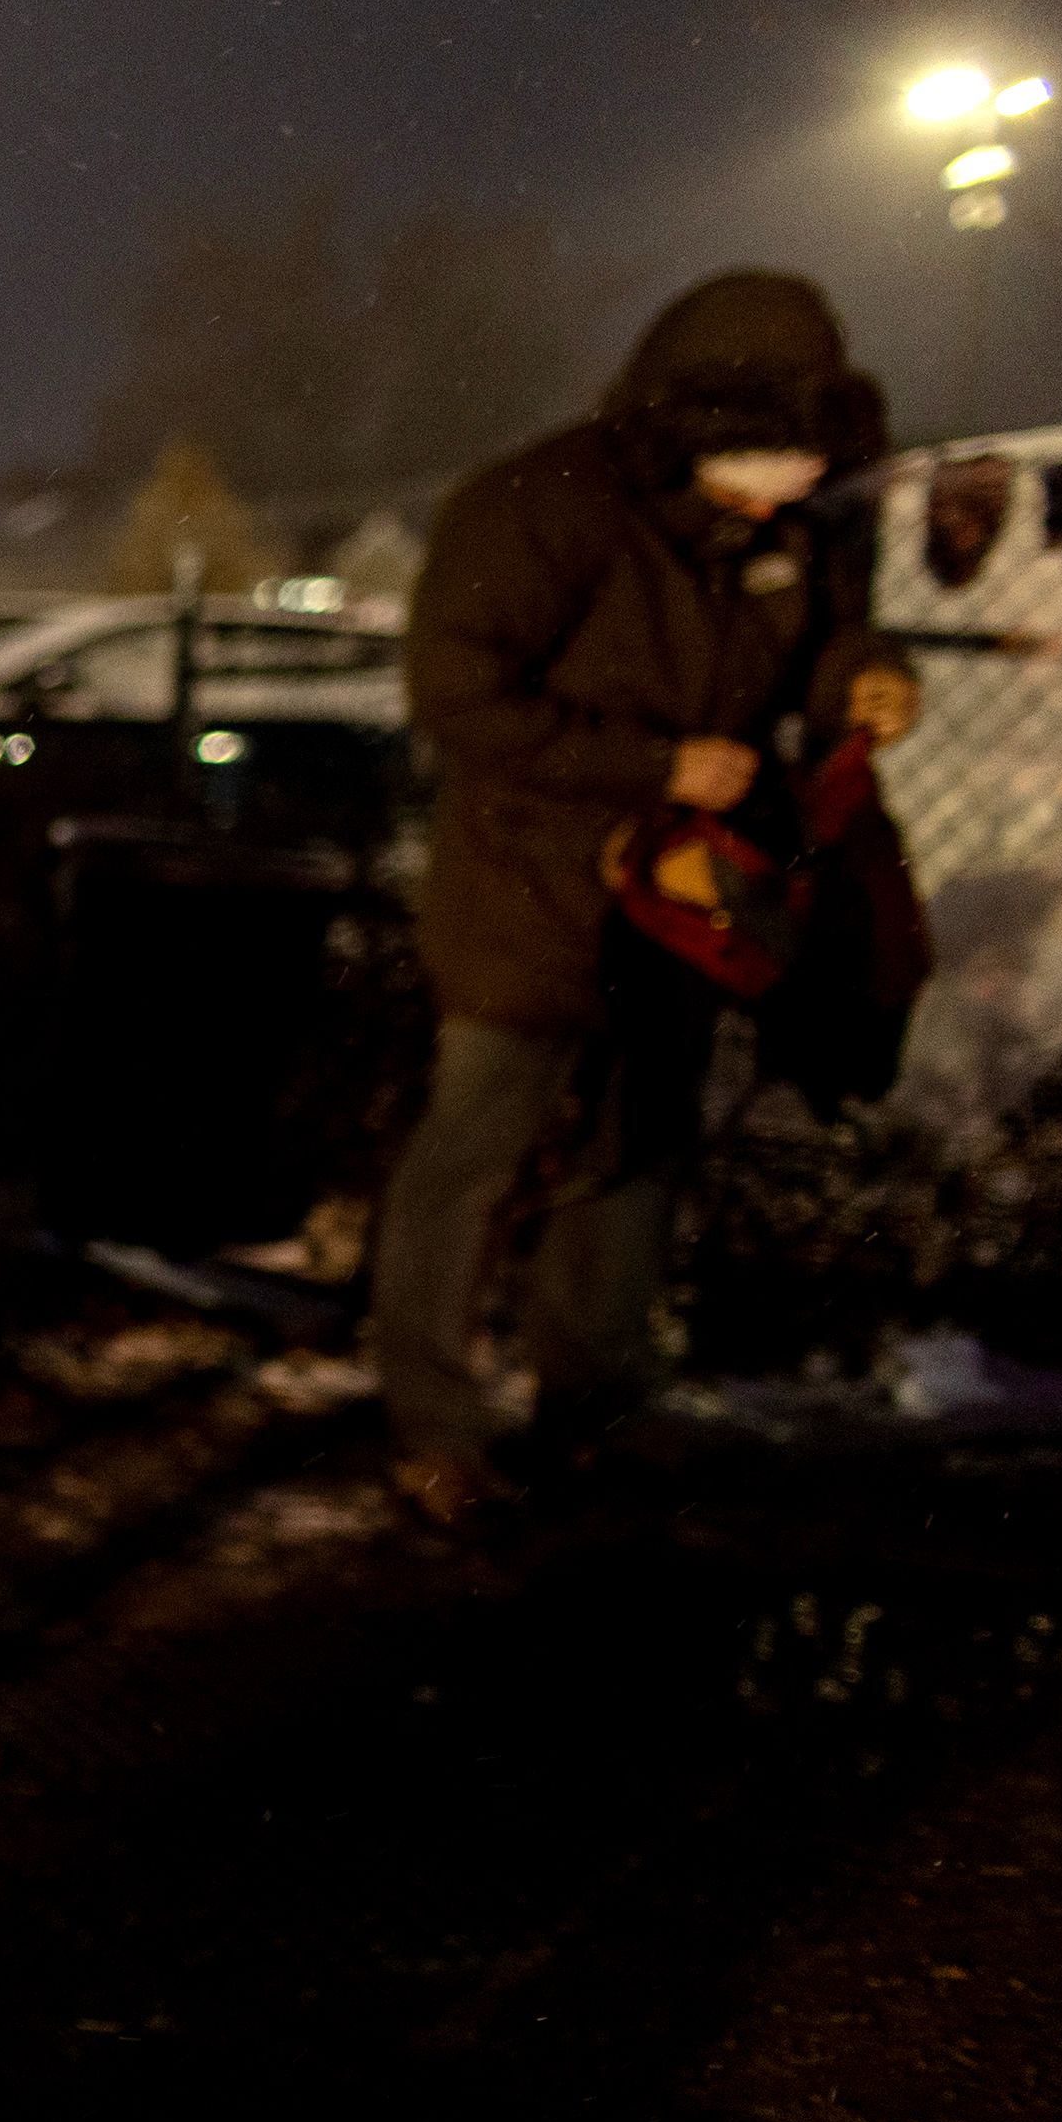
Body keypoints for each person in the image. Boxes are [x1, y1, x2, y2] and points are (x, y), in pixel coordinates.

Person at [374, 269, 917, 1519]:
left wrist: (867, 680)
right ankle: (435, 1427)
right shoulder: (538, 507)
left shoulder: (792, 528)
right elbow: (456, 694)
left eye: (799, 465)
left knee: (637, 1155)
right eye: (761, 462)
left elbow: (830, 644)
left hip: (681, 912)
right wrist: (651, 765)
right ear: (689, 428)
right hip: (526, 891)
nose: (780, 490)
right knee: (473, 1155)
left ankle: (596, 1405)